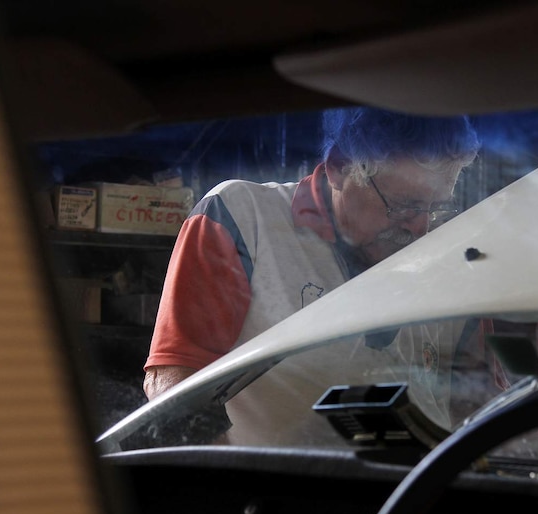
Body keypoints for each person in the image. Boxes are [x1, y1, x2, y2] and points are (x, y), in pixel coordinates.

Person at [143, 107, 481, 445]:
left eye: (435, 207)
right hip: (275, 489)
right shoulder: (243, 217)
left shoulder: (457, 254)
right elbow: (176, 384)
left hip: (421, 490)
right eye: (404, 205)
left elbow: (482, 404)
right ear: (339, 167)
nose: (420, 228)